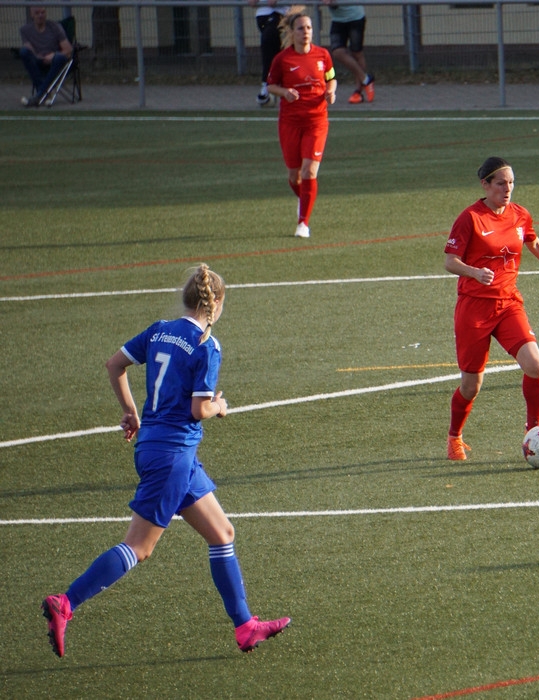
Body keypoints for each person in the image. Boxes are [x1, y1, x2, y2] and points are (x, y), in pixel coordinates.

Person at [41, 265, 290, 658]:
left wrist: (130, 412)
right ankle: (65, 603)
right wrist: (219, 406)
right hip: (173, 456)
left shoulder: (160, 330)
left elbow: (114, 364)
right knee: (138, 547)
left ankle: (245, 627)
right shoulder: (207, 345)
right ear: (215, 304)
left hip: (160, 450)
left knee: (222, 533)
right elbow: (198, 409)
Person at [444, 157, 539, 461]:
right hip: (474, 310)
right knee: (471, 386)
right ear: (485, 185)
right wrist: (473, 272)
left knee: (535, 365)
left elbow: (533, 242)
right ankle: (454, 437)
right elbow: (450, 261)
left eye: (511, 183)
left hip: (508, 304)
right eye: (500, 183)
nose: (507, 189)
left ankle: (533, 432)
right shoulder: (470, 218)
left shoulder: (520, 214)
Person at [266, 10, 337, 239]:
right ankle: (305, 199)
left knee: (309, 170)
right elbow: (270, 85)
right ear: (291, 32)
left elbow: (331, 78)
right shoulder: (282, 59)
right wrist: (285, 92)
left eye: (308, 28)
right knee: (294, 176)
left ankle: (303, 223)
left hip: (316, 121)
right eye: (300, 28)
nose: (305, 32)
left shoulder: (323, 55)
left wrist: (331, 91)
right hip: (290, 123)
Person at [19, 6, 73, 107]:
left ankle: (39, 95)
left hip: (55, 60)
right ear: (32, 15)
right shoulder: (25, 30)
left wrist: (53, 55)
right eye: (37, 13)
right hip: (37, 60)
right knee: (24, 52)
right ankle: (44, 93)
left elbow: (68, 49)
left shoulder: (55, 27)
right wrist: (39, 57)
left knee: (60, 57)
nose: (40, 15)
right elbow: (29, 48)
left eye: (43, 12)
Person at [323, 2, 375, 104]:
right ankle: (366, 79)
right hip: (337, 20)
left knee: (357, 53)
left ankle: (358, 92)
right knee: (337, 52)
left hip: (355, 18)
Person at [248, 0, 290, 106]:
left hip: (281, 14)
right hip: (263, 15)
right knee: (272, 51)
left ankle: (268, 86)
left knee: (271, 43)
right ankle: (270, 85)